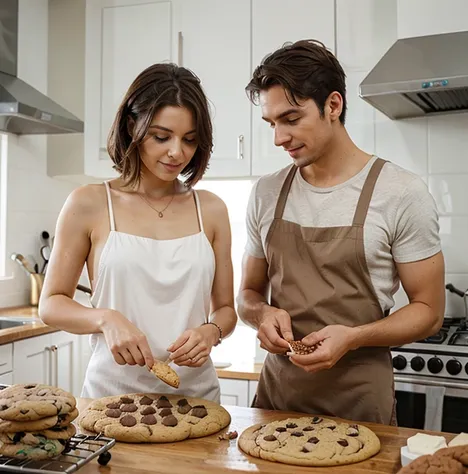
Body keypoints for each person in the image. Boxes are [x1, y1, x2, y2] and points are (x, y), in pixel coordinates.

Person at [237, 39, 445, 424]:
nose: (278, 138)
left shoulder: (400, 193)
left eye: (291, 119)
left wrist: (353, 337)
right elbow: (247, 295)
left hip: (361, 406)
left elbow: (430, 312)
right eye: (271, 123)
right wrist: (262, 314)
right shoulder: (266, 193)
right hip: (276, 403)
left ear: (333, 106)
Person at [39, 63, 237, 401]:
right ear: (133, 126)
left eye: (190, 140)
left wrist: (210, 332)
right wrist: (105, 319)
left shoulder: (212, 210)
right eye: (162, 137)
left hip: (197, 400)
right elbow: (51, 304)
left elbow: (226, 311)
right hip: (110, 399)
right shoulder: (89, 202)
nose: (177, 152)